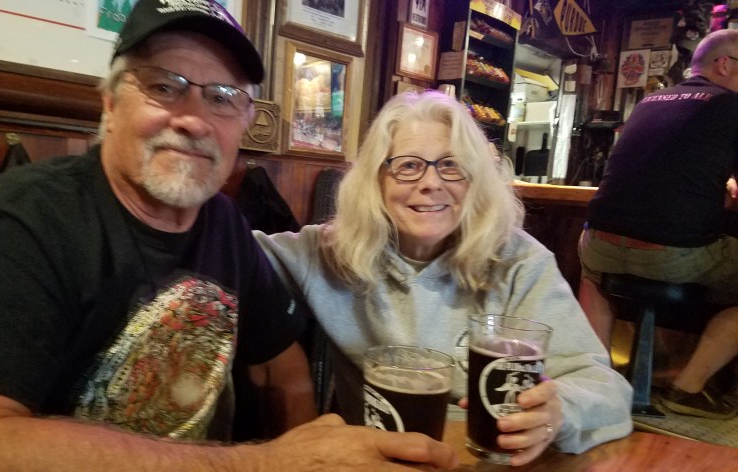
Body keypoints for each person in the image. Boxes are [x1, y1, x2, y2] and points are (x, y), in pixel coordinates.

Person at [0, 1, 460, 470]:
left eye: (222, 97)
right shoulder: (20, 225)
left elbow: (279, 363)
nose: (194, 119)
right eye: (165, 87)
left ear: (245, 123)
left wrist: (308, 453)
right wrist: (266, 463)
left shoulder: (223, 223)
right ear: (110, 104)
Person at [255, 90, 633, 467]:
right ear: (375, 180)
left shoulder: (518, 262)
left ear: (474, 180)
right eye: (408, 166)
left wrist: (558, 411)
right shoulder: (329, 253)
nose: (432, 183)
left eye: (451, 165)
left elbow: (605, 388)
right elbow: (235, 253)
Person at [578, 28, 738, 420]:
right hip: (675, 255)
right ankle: (688, 388)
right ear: (724, 64)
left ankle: (593, 378)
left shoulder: (649, 102)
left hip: (596, 242)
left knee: (594, 276)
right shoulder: (732, 105)